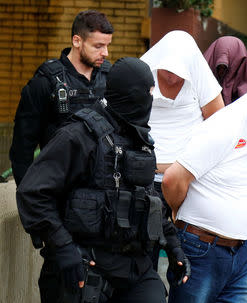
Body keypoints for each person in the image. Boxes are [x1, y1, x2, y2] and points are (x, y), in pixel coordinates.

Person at [16, 57, 190, 303]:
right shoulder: (78, 135)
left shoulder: (138, 138)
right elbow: (33, 192)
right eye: (147, 93)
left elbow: (150, 200)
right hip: (86, 266)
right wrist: (63, 247)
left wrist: (174, 247)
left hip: (133, 268)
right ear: (130, 95)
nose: (150, 100)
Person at [162, 84, 247, 303]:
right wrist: (178, 211)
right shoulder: (223, 127)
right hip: (200, 247)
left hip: (242, 249)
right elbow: (172, 179)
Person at [140, 30, 225, 270]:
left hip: (188, 180)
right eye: (167, 72)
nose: (172, 78)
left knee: (187, 253)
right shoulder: (143, 70)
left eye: (179, 74)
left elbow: (218, 125)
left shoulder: (200, 75)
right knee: (146, 252)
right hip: (145, 178)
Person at [10, 10, 114, 186]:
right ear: (77, 41)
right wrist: (28, 196)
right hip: (58, 185)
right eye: (98, 46)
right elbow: (23, 148)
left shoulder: (110, 77)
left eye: (107, 45)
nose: (106, 53)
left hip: (101, 186)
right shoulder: (45, 82)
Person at [204, 36, 247, 105]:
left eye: (226, 68)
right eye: (219, 67)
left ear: (240, 62)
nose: (222, 72)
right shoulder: (200, 82)